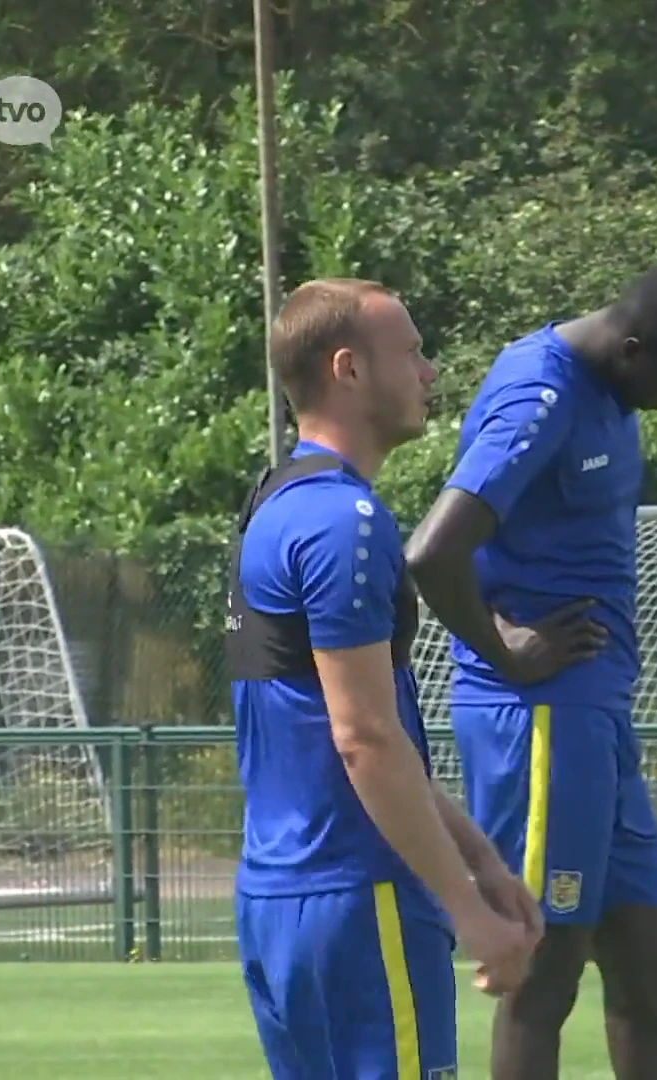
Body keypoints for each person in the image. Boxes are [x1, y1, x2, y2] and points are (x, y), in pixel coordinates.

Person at [404, 265, 657, 1079]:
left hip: (595, 719)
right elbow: (432, 551)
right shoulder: (541, 395)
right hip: (542, 721)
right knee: (543, 977)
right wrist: (503, 649)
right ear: (631, 350)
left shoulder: (609, 391)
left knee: (651, 981)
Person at [229, 278, 543, 1080]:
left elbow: (374, 741)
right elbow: (366, 739)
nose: (430, 371)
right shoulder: (345, 521)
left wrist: (483, 864)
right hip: (357, 899)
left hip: (282, 903)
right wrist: (467, 910)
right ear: (350, 369)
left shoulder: (274, 504)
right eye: (410, 351)